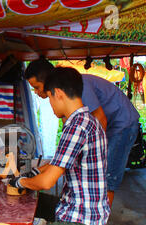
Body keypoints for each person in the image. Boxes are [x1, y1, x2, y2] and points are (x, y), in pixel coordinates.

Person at [8, 67, 111, 225]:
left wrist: (21, 182)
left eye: (49, 98)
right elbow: (57, 164)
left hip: (83, 223)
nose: (51, 104)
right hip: (84, 211)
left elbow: (47, 182)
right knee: (31, 202)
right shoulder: (90, 121)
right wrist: (33, 173)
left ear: (58, 93)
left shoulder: (76, 127)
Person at [25, 57, 140, 206]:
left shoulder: (77, 86)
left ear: (50, 83)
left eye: (37, 87)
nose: (36, 92)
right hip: (111, 123)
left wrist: (97, 157)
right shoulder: (64, 101)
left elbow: (101, 120)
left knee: (106, 177)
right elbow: (67, 145)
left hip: (122, 123)